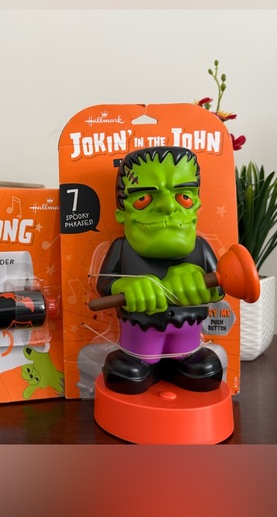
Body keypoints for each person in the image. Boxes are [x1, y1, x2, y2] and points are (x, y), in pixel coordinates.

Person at [96, 146, 224, 394]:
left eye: (183, 196)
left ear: (197, 204)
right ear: (122, 212)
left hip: (188, 336)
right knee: (127, 374)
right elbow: (103, 284)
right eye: (143, 198)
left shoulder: (201, 248)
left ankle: (186, 360)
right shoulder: (122, 249)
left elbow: (222, 285)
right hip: (140, 336)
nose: (167, 206)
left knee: (203, 369)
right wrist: (126, 285)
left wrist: (203, 283)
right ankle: (139, 361)